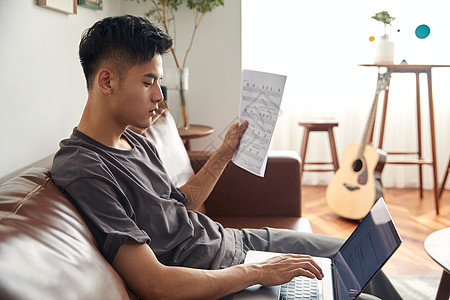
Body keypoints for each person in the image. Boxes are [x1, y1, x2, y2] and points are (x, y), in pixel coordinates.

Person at [51, 15, 400, 300]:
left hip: (236, 243)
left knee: (357, 256)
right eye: (148, 82)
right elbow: (154, 283)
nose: (159, 95)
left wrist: (226, 150)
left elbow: (179, 203)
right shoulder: (84, 168)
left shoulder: (133, 139)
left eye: (159, 82)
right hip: (220, 276)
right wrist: (259, 273)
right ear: (107, 81)